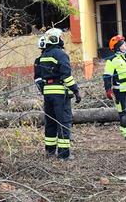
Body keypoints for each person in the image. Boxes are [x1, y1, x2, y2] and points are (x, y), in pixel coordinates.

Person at [35, 28, 81, 160]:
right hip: (60, 94)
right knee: (64, 122)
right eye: (60, 37)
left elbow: (39, 78)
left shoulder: (43, 56)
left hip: (48, 94)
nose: (62, 39)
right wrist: (76, 91)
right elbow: (67, 76)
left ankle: (50, 151)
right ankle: (63, 154)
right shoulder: (60, 54)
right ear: (55, 38)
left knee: (51, 123)